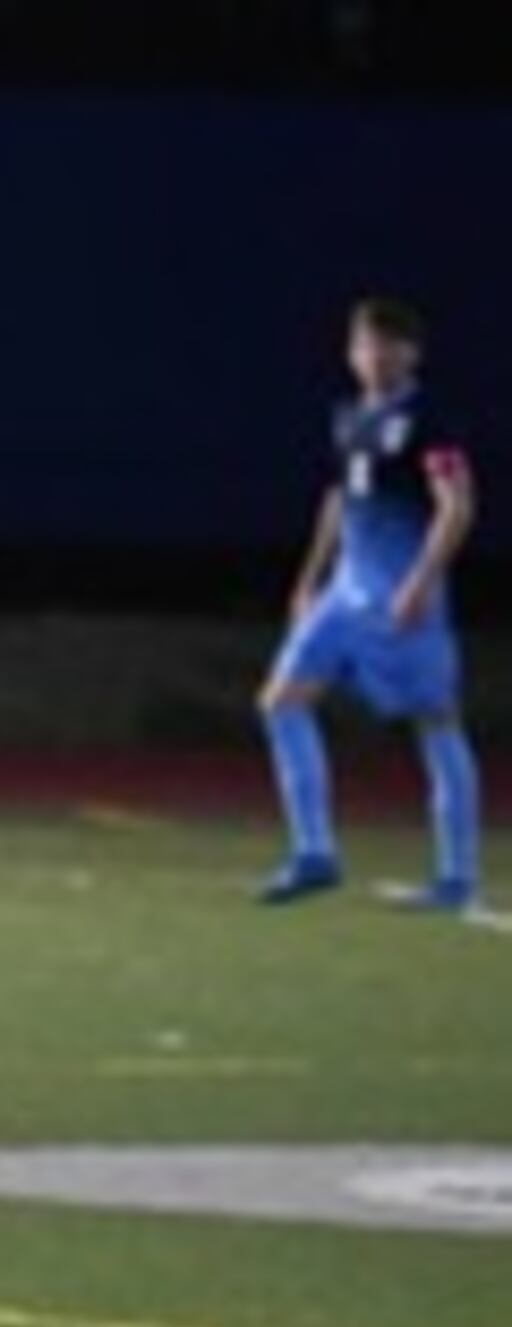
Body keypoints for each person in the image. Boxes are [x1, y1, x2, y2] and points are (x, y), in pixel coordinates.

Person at [255, 294, 477, 912]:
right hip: (345, 591)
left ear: (411, 353)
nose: (374, 356)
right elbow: (340, 500)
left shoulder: (429, 419)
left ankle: (456, 877)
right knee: (281, 701)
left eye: (386, 345)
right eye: (364, 345)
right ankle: (314, 854)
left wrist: (420, 583)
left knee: (436, 719)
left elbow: (457, 507)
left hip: (400, 590)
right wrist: (310, 579)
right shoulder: (349, 416)